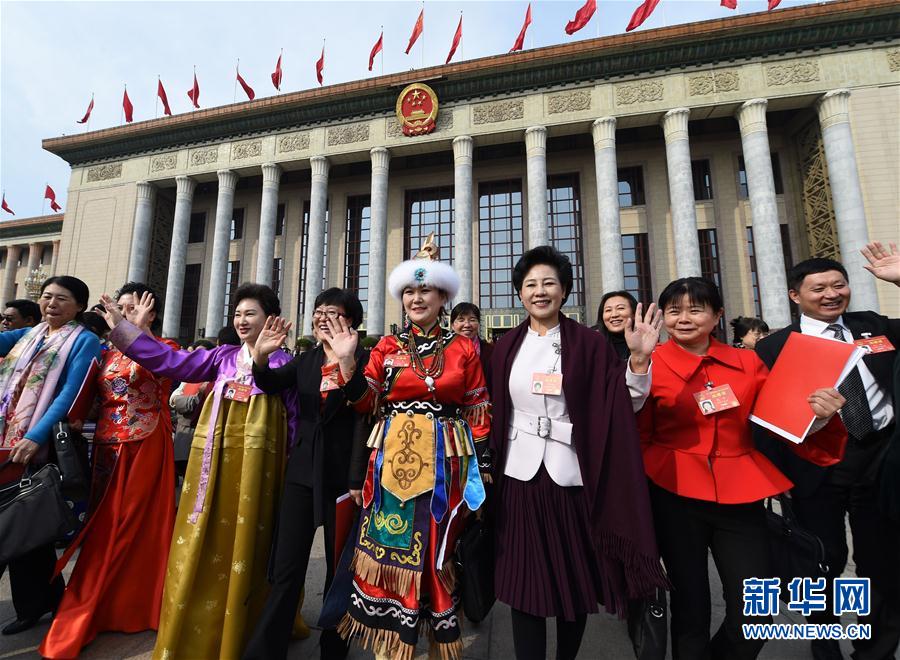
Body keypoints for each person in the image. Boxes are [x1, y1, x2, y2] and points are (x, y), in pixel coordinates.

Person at [639, 277, 847, 660]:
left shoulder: (748, 362)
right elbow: (636, 434)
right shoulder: (648, 364)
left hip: (740, 496)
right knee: (690, 609)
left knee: (755, 612)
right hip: (673, 492)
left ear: (717, 315)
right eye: (674, 311)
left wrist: (819, 420)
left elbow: (783, 420)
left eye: (695, 309)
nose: (684, 318)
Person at [100, 283, 298, 659]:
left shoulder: (283, 364)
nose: (241, 320)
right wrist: (125, 330)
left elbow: (294, 421)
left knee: (252, 541)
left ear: (270, 318)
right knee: (205, 535)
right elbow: (171, 362)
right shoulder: (222, 357)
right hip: (213, 467)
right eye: (237, 314)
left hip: (259, 472)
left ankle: (248, 625)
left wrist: (288, 467)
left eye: (250, 313)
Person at [488, 246, 666, 660]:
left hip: (572, 476)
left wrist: (639, 360)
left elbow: (621, 403)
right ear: (520, 293)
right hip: (518, 476)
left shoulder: (589, 344)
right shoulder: (506, 347)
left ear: (565, 290)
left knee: (574, 579)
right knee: (523, 584)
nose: (540, 291)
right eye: (530, 284)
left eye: (549, 283)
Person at [326, 236, 491, 660]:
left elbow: (477, 409)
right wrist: (347, 363)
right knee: (390, 550)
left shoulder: (463, 348)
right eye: (410, 291)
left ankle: (435, 640)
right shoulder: (387, 347)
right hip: (392, 465)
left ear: (443, 297)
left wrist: (482, 469)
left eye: (426, 290)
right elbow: (366, 403)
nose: (417, 299)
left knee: (437, 550)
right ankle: (390, 646)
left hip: (446, 464)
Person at [755, 252, 900, 660]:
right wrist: (777, 476)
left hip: (880, 458)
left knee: (882, 560)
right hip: (814, 466)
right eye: (818, 288)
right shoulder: (774, 347)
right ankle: (825, 644)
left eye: (839, 285)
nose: (831, 294)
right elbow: (762, 420)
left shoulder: (873, 326)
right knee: (821, 561)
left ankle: (876, 650)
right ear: (795, 296)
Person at [39, 282, 179, 658]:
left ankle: (129, 604)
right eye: (120, 307)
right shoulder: (105, 351)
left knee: (133, 524)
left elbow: (163, 370)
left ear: (151, 313)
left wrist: (138, 331)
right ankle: (104, 603)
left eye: (131, 308)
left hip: (144, 443)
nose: (122, 313)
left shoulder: (164, 347)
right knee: (104, 526)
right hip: (105, 446)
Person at [244, 288, 371, 660]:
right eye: (318, 311)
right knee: (287, 567)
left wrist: (356, 479)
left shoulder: (365, 359)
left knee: (338, 569)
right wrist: (261, 358)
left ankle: (334, 649)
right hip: (302, 472)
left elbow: (364, 418)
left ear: (351, 320)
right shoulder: (307, 359)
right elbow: (269, 383)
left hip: (344, 480)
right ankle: (266, 650)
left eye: (332, 312)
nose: (321, 317)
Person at [0, 276, 102, 636]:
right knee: (25, 526)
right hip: (7, 439)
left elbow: (69, 394)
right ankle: (43, 600)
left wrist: (35, 436)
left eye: (62, 298)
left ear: (80, 306)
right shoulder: (30, 335)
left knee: (27, 523)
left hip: (38, 446)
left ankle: (37, 603)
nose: (52, 304)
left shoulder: (84, 340)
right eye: (46, 297)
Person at [170, 339, 216, 490]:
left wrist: (186, 401)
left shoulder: (214, 376)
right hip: (184, 435)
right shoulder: (189, 375)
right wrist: (190, 400)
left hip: (202, 434)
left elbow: (194, 403)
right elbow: (173, 399)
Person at [591, 290, 639, 361]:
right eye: (608, 310)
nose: (614, 315)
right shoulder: (591, 341)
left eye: (620, 308)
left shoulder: (646, 342)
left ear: (634, 314)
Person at [450, 302, 493, 374]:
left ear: (479, 324)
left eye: (472, 320)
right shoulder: (442, 351)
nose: (467, 325)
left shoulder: (491, 351)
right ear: (452, 325)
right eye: (461, 320)